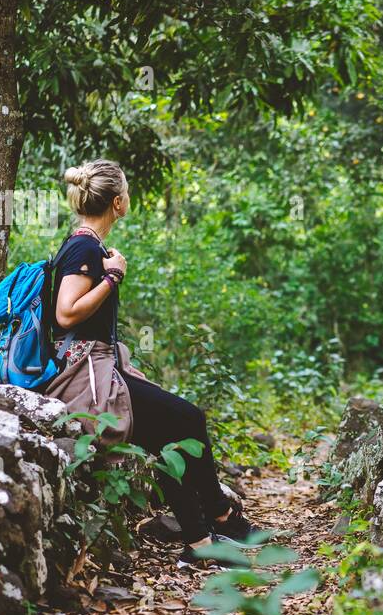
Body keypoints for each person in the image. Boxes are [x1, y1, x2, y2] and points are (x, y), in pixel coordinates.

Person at [43, 159, 256, 563]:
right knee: (189, 418)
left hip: (101, 365)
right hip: (86, 375)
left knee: (165, 438)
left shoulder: (87, 245)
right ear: (118, 202)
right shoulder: (84, 247)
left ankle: (200, 543)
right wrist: (112, 278)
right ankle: (223, 517)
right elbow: (65, 313)